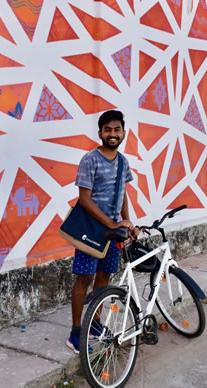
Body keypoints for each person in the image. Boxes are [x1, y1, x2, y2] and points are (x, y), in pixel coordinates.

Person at [67, 110, 139, 353]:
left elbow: (123, 194)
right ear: (100, 133)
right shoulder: (90, 160)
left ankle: (95, 323)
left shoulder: (123, 162)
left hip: (113, 231)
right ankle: (76, 332)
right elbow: (84, 199)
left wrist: (127, 222)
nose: (112, 134)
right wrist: (111, 223)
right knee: (84, 279)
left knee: (104, 279)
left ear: (123, 133)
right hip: (91, 229)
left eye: (116, 130)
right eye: (107, 130)